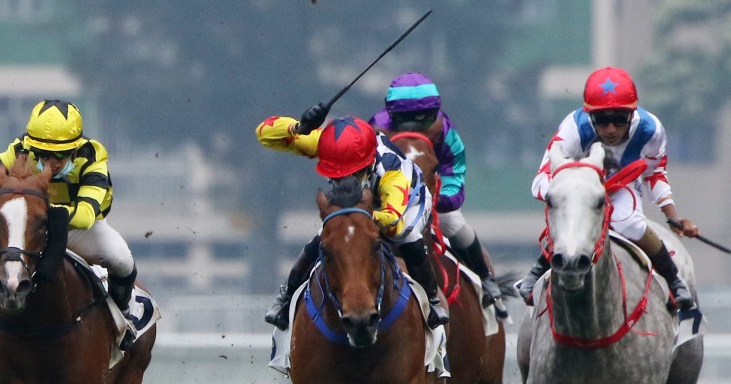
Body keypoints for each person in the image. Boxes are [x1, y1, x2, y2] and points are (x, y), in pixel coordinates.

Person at [0, 99, 139, 337]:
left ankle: (122, 317)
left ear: (75, 147)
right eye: (44, 155)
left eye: (61, 155)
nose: (52, 163)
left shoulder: (92, 157)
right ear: (33, 147)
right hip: (34, 227)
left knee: (121, 259)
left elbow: (86, 214)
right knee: (1, 230)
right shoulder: (20, 151)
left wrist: (38, 211)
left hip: (77, 227)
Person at [519, 66, 698, 310]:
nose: (611, 129)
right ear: (589, 115)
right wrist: (571, 193)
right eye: (601, 120)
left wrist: (672, 216)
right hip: (577, 186)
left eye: (619, 119)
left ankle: (674, 280)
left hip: (622, 183)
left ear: (632, 114)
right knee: (574, 224)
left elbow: (654, 173)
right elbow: (540, 182)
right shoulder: (572, 130)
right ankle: (536, 272)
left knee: (629, 222)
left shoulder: (651, 130)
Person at [257, 111, 449, 330]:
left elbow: (392, 219)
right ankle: (286, 296)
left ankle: (432, 301)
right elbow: (264, 134)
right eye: (336, 174)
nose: (343, 179)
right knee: (324, 237)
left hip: (406, 201)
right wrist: (298, 127)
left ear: (367, 163)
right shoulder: (326, 143)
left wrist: (359, 220)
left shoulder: (392, 172)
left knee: (407, 236)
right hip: (358, 203)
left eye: (351, 173)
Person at [370, 72, 507, 318]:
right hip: (386, 200)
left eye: (423, 119)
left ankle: (487, 279)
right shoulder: (375, 130)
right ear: (393, 115)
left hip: (432, 197)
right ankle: (297, 292)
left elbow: (454, 171)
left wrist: (440, 199)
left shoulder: (445, 131)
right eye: (407, 119)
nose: (415, 126)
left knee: (452, 222)